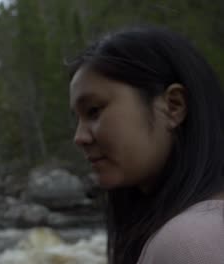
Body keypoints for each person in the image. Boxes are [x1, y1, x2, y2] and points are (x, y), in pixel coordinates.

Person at [68, 26, 224, 264]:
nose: (79, 137)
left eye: (94, 111)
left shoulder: (186, 243)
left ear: (173, 106)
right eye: (77, 119)